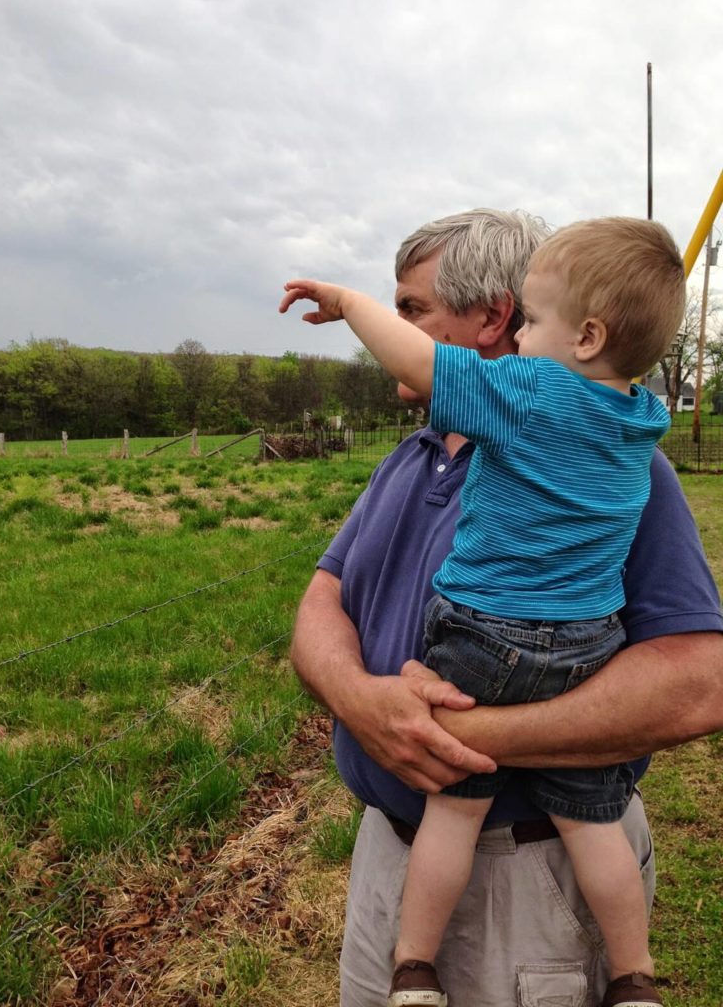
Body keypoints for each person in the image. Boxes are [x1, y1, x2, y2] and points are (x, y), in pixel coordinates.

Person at [288, 209, 723, 1007]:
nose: (400, 325)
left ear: (493, 318)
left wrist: (459, 735)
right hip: (389, 856)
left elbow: (699, 683)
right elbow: (325, 597)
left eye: (412, 308)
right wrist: (360, 699)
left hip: (523, 885)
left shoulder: (630, 474)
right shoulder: (410, 458)